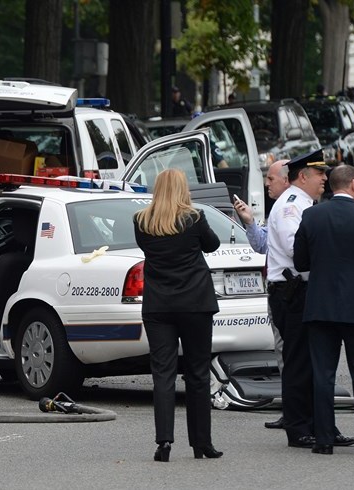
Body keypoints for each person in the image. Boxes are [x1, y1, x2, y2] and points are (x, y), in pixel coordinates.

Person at [265, 149, 354, 449]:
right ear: (302, 176)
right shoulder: (291, 206)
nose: (324, 179)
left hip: (304, 291)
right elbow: (296, 250)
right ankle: (299, 428)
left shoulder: (305, 204)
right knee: (299, 363)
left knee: (314, 363)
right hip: (292, 293)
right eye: (319, 173)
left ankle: (322, 426)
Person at [133, 169, 223, 462]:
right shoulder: (194, 218)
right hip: (195, 303)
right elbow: (212, 244)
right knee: (198, 373)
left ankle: (164, 443)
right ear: (183, 189)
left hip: (158, 305)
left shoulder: (142, 221)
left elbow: (148, 249)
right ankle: (202, 443)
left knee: (163, 374)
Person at [294, 165, 354, 456]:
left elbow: (300, 262)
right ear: (353, 184)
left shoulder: (311, 215)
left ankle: (324, 440)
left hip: (321, 305)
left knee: (323, 375)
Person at [233, 160, 289, 429]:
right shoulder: (278, 208)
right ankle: (292, 410)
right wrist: (249, 222)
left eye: (271, 178)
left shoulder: (292, 209)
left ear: (287, 180)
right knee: (283, 353)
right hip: (278, 293)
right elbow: (261, 245)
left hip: (291, 293)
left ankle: (299, 412)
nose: (266, 183)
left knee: (292, 353)